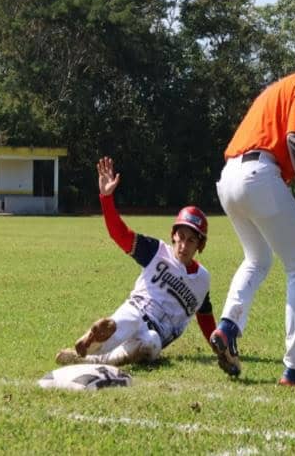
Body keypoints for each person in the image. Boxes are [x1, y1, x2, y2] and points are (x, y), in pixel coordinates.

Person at [210, 38, 295, 386]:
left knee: (257, 259)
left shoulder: (277, 88)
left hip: (229, 179)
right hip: (259, 176)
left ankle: (227, 328)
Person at [55, 156, 216, 366]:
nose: (184, 245)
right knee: (124, 322)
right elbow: (120, 234)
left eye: (191, 240)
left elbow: (205, 317)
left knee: (149, 344)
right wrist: (106, 198)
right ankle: (95, 338)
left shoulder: (202, 280)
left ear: (200, 246)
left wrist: (219, 347)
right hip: (137, 311)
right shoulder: (155, 251)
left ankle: (89, 360)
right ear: (173, 235)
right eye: (181, 237)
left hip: (155, 332)